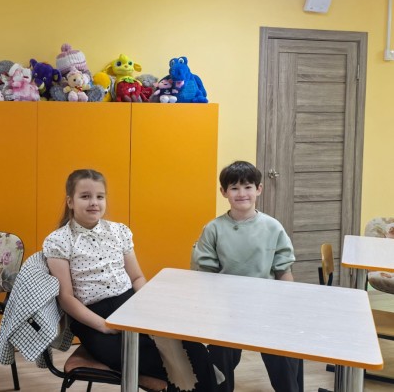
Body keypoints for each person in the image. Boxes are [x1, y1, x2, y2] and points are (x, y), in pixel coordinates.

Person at [44, 168, 218, 392]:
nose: (94, 202)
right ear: (70, 201)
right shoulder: (58, 241)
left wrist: (148, 308)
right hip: (92, 317)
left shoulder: (119, 231)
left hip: (130, 305)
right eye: (85, 196)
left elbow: (136, 277)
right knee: (161, 362)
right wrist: (104, 326)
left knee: (195, 351)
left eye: (100, 196)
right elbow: (66, 298)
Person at [191, 161, 303, 392]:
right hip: (228, 308)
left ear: (259, 189)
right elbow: (206, 275)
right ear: (224, 192)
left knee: (284, 354)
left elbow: (284, 270)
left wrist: (287, 308)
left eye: (248, 187)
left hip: (267, 307)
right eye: (234, 188)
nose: (241, 193)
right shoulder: (213, 229)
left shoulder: (273, 227)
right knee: (220, 358)